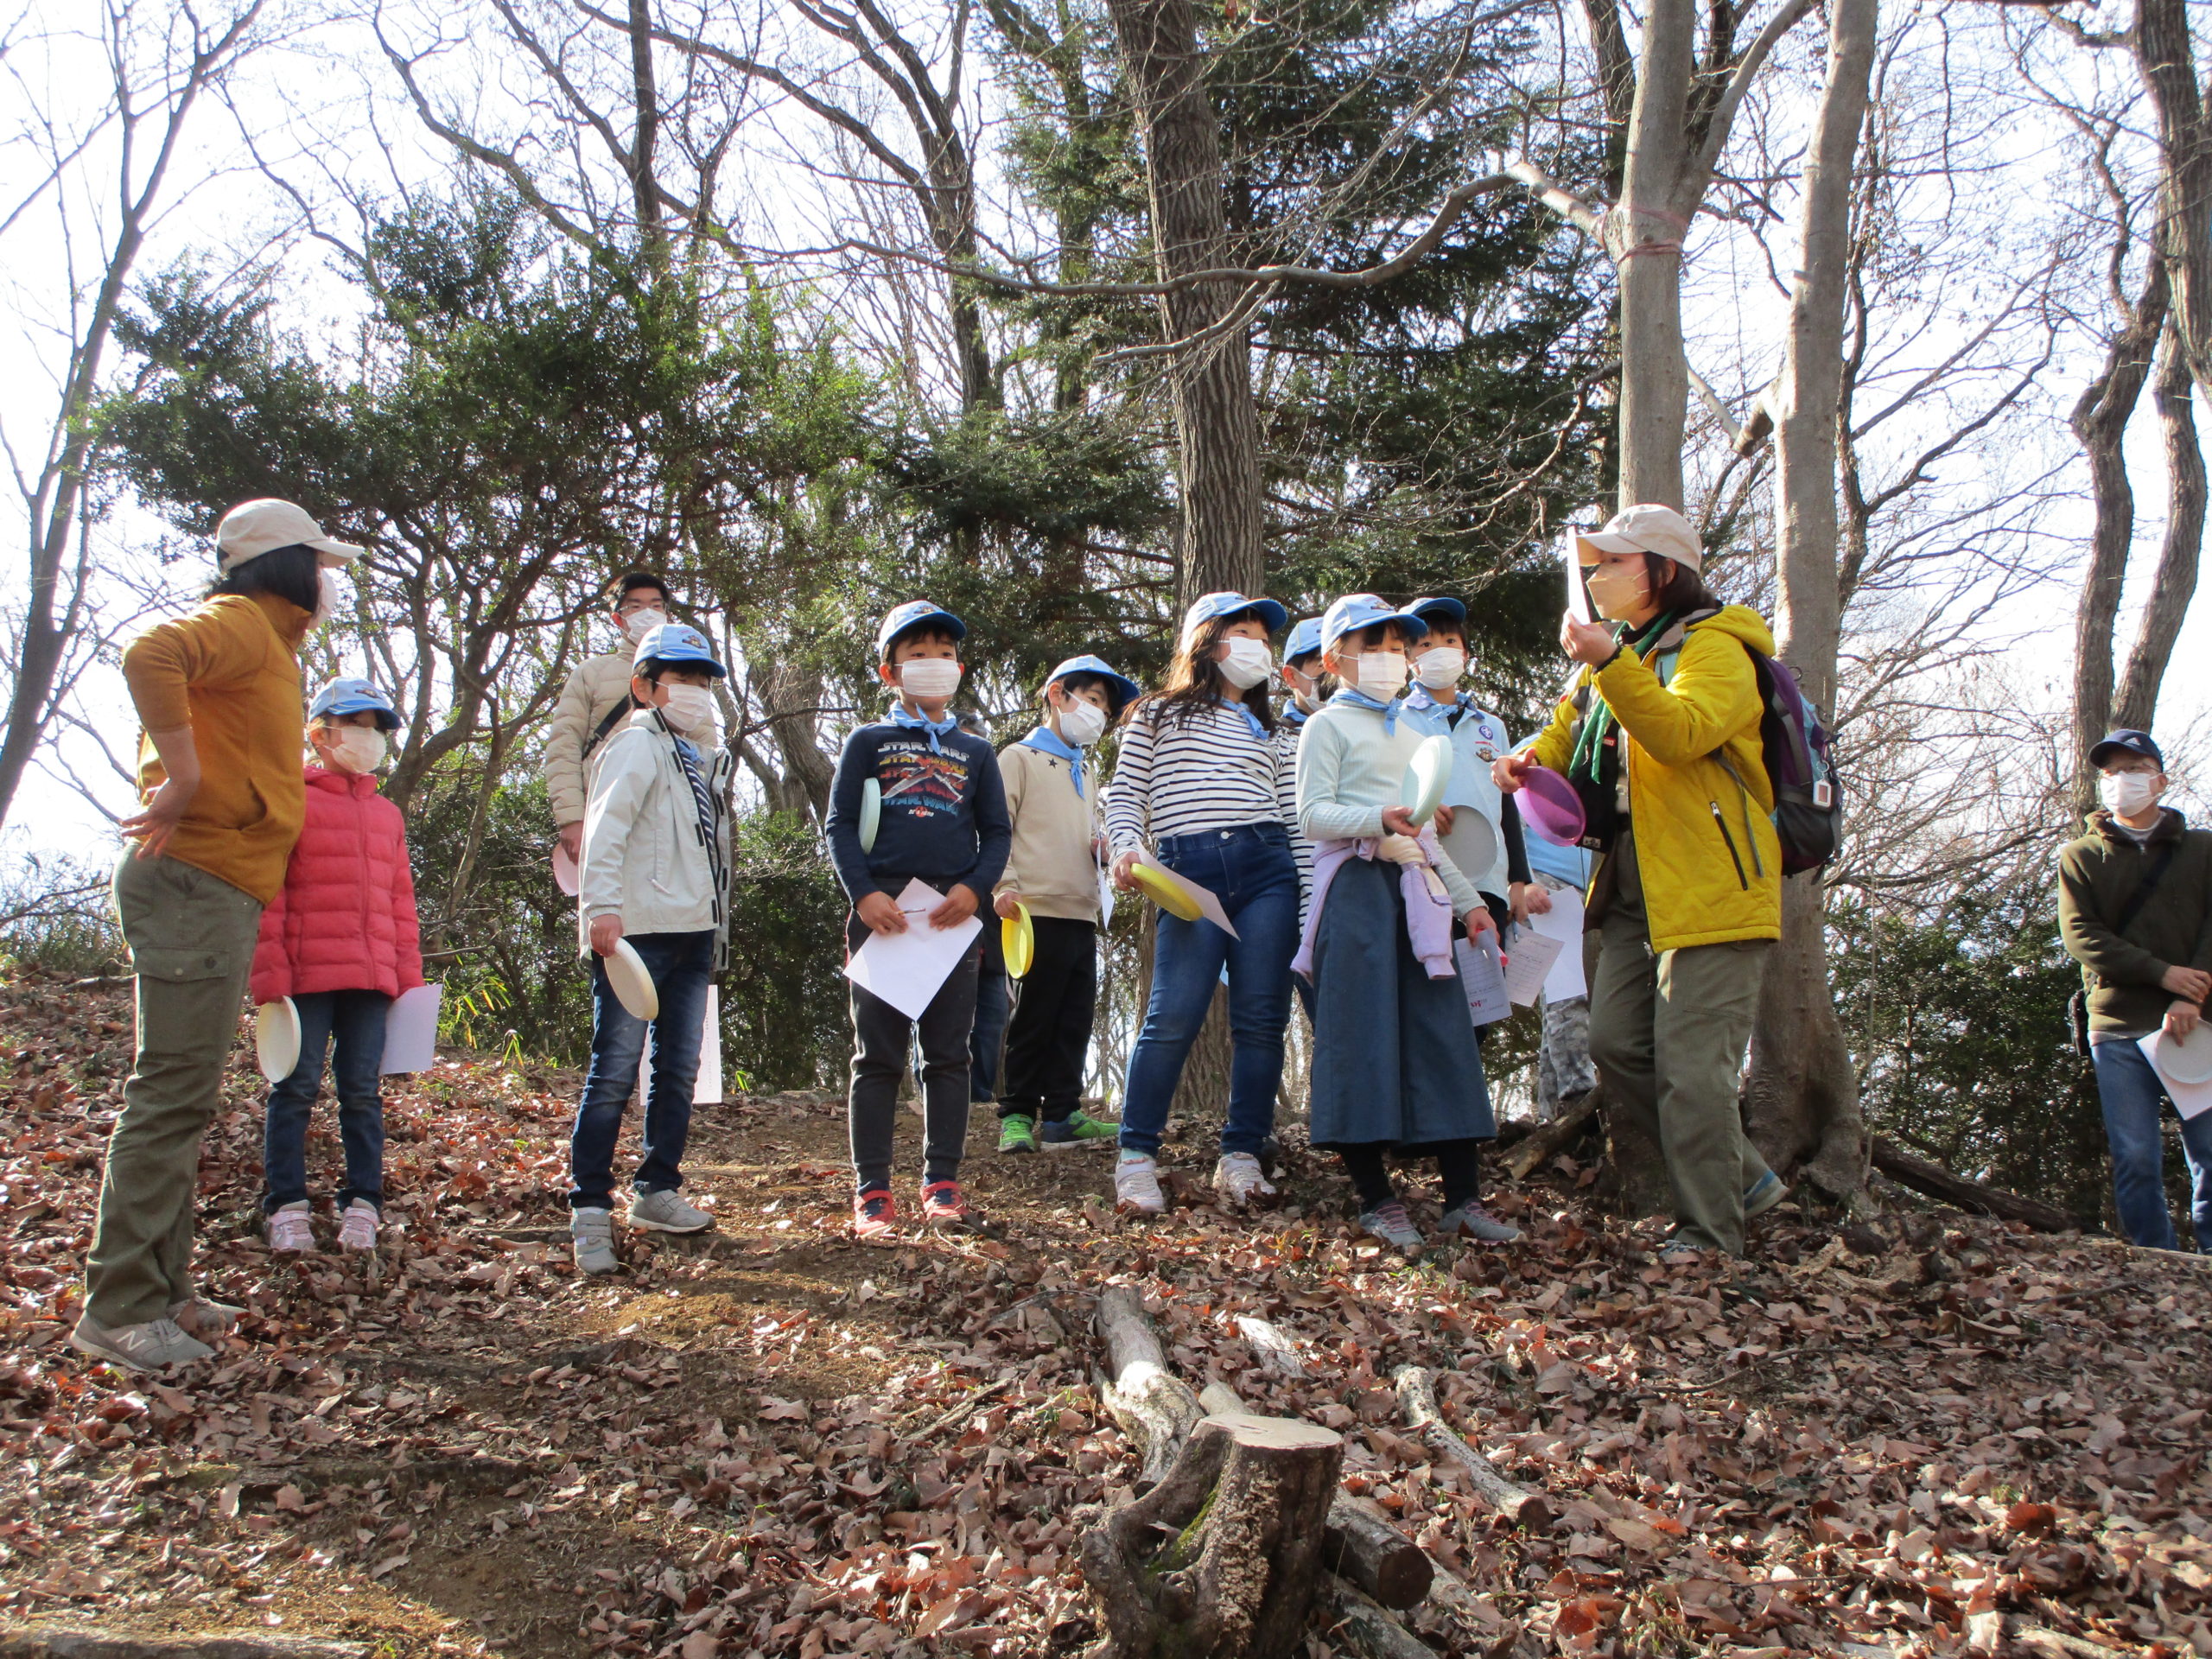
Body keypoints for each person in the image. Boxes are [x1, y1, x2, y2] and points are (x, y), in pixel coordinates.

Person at [73, 498, 360, 1371]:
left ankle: (165, 1292)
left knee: (185, 1097)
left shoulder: (269, 648)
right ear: (284, 566)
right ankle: (119, 1307)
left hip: (219, 886)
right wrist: (183, 771)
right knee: (167, 1096)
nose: (327, 583)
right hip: (193, 881)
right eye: (319, 564)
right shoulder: (239, 622)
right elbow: (149, 652)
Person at [1497, 504, 1785, 1262]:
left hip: (1713, 878)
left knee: (1695, 1072)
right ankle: (1744, 1180)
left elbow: (1681, 732)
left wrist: (1607, 663)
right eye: (1593, 565)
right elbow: (1564, 733)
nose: (1597, 578)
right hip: (1628, 882)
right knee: (1615, 1043)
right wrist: (1526, 763)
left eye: (1615, 563)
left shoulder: (1718, 647)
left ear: (1665, 570)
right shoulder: (1610, 658)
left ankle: (1712, 1234)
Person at [1293, 594, 1516, 1253]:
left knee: (1443, 1034)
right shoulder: (1325, 727)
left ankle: (1463, 1198)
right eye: (1375, 648)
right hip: (1356, 893)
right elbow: (1312, 816)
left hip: (1420, 893)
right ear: (1336, 660)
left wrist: (1471, 904)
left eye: (1398, 648)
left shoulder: (1420, 736)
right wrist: (1377, 821)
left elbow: (1429, 836)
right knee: (1359, 1035)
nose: (1391, 660)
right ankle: (1376, 1199)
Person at [1103, 592, 1300, 1217]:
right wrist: (1128, 849)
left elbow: (1294, 822)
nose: (1255, 646)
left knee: (1262, 1020)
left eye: (1262, 637)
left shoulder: (1274, 728)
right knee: (1173, 1015)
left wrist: (1310, 905)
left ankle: (1241, 1155)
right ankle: (1136, 1157)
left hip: (1269, 869)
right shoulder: (1155, 714)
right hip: (1187, 872)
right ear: (1204, 642)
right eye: (1240, 632)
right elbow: (1126, 795)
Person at [824, 601, 1012, 1237]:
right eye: (919, 654)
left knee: (948, 1057)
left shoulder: (977, 750)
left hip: (949, 921)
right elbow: (840, 824)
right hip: (882, 916)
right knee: (876, 1057)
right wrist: (861, 894)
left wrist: (975, 890)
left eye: (945, 653)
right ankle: (872, 1190)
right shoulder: (868, 742)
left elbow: (996, 832)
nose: (934, 664)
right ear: (889, 672)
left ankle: (942, 1183)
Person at [569, 622, 734, 1274]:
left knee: (677, 1072)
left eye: (701, 681)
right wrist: (599, 912)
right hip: (634, 935)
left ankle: (658, 1190)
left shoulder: (692, 754)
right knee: (614, 1070)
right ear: (644, 685)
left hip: (693, 934)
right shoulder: (634, 744)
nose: (693, 691)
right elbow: (604, 831)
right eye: (680, 679)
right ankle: (588, 1208)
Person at [251, 678, 423, 1256]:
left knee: (361, 1092)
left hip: (371, 981)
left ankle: (364, 1203)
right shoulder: (289, 799)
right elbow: (268, 896)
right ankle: (286, 1205)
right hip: (304, 978)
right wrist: (269, 978)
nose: (370, 737)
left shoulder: (387, 815)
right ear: (320, 734)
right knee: (294, 1088)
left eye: (378, 727)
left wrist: (410, 982)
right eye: (358, 724)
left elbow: (402, 904)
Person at [2058, 728, 2212, 1250]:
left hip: (2197, 1020)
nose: (2122, 781)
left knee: (2210, 1150)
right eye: (2111, 772)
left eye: (2134, 769)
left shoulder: (2203, 848)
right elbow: (2081, 936)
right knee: (2135, 1157)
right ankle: (2157, 1261)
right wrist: (2162, 974)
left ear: (2161, 780)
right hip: (2117, 1023)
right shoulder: (2079, 856)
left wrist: (2190, 994)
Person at [994, 655, 1141, 1154]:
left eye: (1104, 705)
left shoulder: (1085, 770)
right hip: (1033, 910)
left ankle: (1062, 1113)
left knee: (1074, 1017)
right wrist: (1003, 887)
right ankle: (1016, 1115)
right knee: (1034, 1016)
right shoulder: (1018, 757)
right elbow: (997, 829)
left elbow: (1076, 833)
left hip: (1082, 910)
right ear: (1058, 695)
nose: (1099, 713)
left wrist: (1101, 851)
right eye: (1093, 700)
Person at [1400, 596, 1536, 938]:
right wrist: (1421, 809)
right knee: (1437, 981)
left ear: (1465, 653)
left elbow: (1507, 802)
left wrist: (1518, 879)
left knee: (1487, 986)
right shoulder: (1398, 719)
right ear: (1408, 658)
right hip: (1425, 873)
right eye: (1426, 644)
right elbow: (1389, 788)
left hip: (1489, 877)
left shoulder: (1491, 726)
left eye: (1449, 642)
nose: (1439, 650)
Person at [545, 570, 676, 866]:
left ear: (667, 615)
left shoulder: (688, 678)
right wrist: (571, 820)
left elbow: (704, 750)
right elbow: (563, 747)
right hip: (603, 815)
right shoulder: (591, 673)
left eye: (656, 606)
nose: (648, 613)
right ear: (618, 618)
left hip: (669, 820)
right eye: (636, 606)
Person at [1520, 834, 1598, 1121]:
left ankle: (1551, 1115)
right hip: (1544, 886)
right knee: (1569, 995)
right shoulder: (1512, 788)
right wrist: (1520, 881)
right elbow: (1498, 827)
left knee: (1558, 1000)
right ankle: (1580, 1098)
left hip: (1592, 890)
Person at [958, 709, 1012, 1116]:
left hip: (991, 937)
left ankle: (978, 1097)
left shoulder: (995, 801)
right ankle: (934, 1096)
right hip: (937, 920)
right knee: (940, 1021)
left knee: (991, 1021)